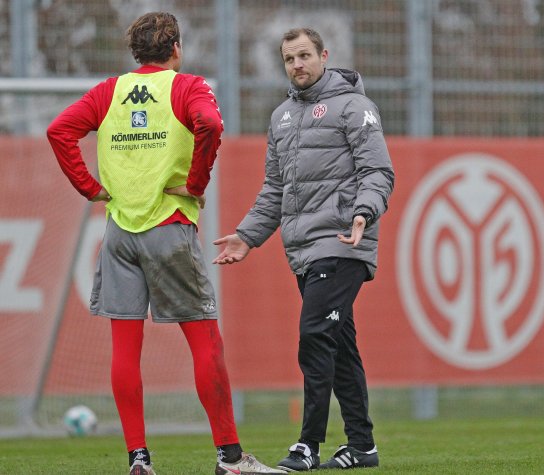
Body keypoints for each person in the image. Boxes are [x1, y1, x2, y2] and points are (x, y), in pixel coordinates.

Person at [46, 11, 286, 475]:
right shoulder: (187, 86)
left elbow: (59, 131)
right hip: (169, 227)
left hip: (118, 232)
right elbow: (210, 126)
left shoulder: (108, 92)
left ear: (135, 51)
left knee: (124, 349)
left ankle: (139, 460)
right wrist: (196, 183)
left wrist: (89, 187)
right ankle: (231, 460)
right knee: (205, 343)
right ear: (175, 46)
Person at [213, 28, 395, 471]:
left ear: (324, 56)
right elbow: (275, 189)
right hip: (304, 250)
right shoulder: (281, 118)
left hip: (344, 242)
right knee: (338, 345)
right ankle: (362, 446)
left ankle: (308, 445)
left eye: (304, 56)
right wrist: (248, 235)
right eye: (289, 58)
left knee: (315, 336)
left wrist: (364, 212)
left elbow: (379, 172)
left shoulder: (355, 107)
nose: (297, 64)